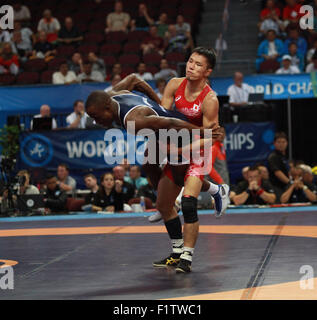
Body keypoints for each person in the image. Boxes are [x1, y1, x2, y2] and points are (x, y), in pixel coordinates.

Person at [153, 47, 230, 273]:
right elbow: (162, 118)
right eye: (190, 61)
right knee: (164, 205)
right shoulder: (174, 85)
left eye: (198, 64)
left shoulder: (210, 99)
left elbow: (208, 137)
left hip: (198, 151)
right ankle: (176, 251)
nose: (191, 66)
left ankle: (187, 256)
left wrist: (183, 148)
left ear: (208, 71)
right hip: (177, 148)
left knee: (187, 203)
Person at [267, 131, 290, 200]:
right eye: (279, 142)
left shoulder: (284, 156)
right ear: (274, 143)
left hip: (285, 186)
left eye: (283, 142)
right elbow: (277, 173)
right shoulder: (273, 157)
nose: (281, 144)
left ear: (287, 143)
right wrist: (290, 183)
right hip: (276, 187)